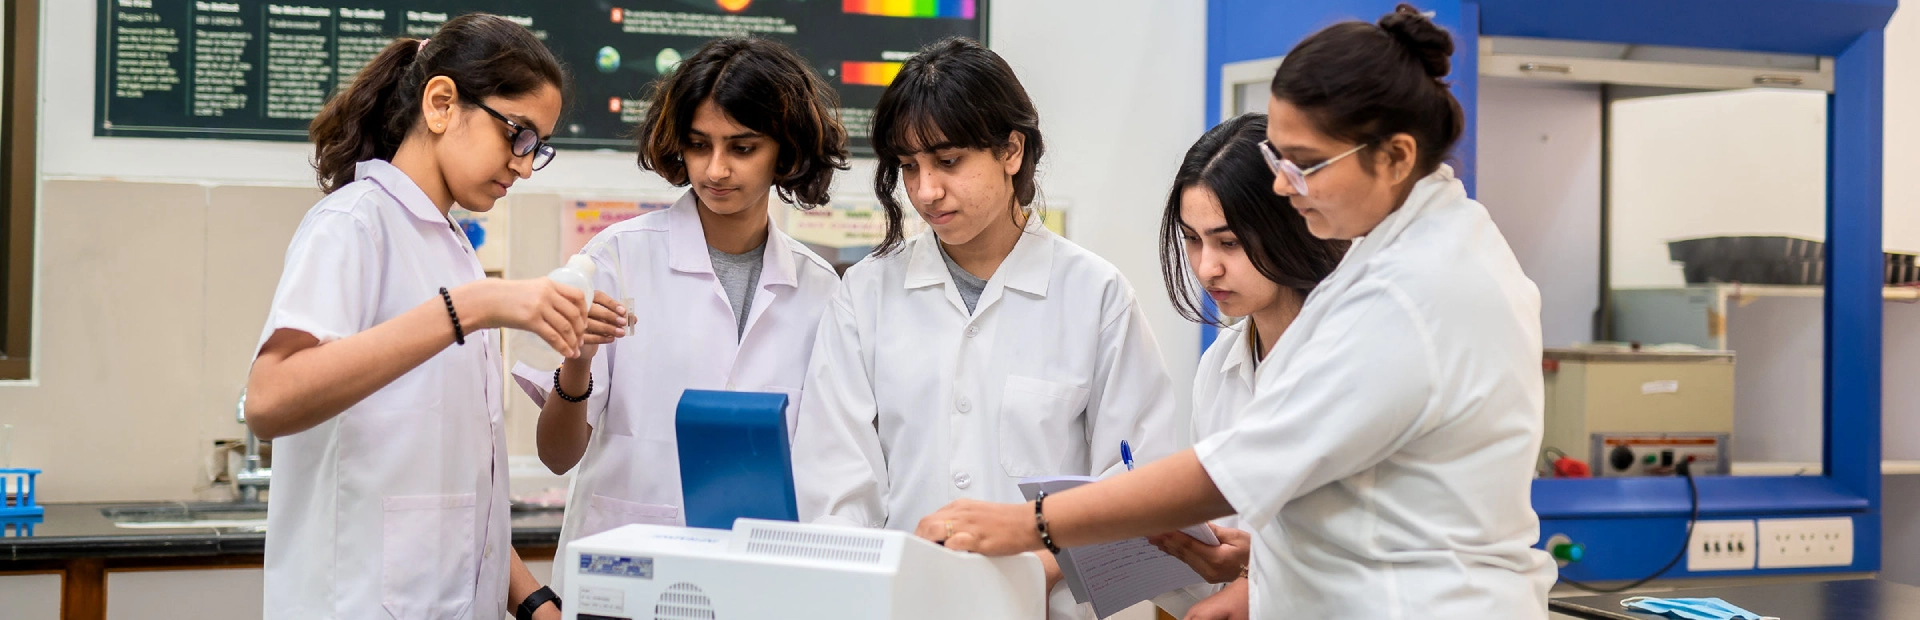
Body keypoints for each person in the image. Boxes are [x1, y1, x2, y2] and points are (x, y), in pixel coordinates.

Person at [911, 6, 1558, 619]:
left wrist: (1030, 524)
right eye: (1277, 159)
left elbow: (1233, 470)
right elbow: (1378, 505)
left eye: (1303, 166)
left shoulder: (1413, 291)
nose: (1281, 186)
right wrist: (1266, 562)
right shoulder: (1424, 252)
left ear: (1395, 157)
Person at [790, 36, 1180, 619]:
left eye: (948, 162)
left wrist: (1030, 568)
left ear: (1011, 151)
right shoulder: (866, 295)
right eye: (910, 168)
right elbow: (835, 483)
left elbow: (1136, 483)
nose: (926, 191)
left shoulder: (1095, 295)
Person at [245, 14, 601, 620]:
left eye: (538, 147)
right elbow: (268, 401)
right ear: (441, 103)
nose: (523, 163)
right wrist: (475, 306)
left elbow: (451, 496)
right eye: (517, 135)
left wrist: (532, 599)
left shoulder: (453, 249)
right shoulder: (355, 223)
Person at [524, 36, 848, 592]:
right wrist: (578, 363)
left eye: (742, 148)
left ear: (785, 151)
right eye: (700, 146)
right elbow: (556, 456)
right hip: (624, 570)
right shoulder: (617, 257)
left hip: (756, 578)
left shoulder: (820, 290)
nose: (716, 170)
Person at [1145, 113, 1348, 617]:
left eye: (1228, 242)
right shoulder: (1221, 364)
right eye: (1193, 240)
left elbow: (1377, 543)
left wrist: (1258, 576)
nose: (1205, 267)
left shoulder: (1348, 355)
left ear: (1292, 225)